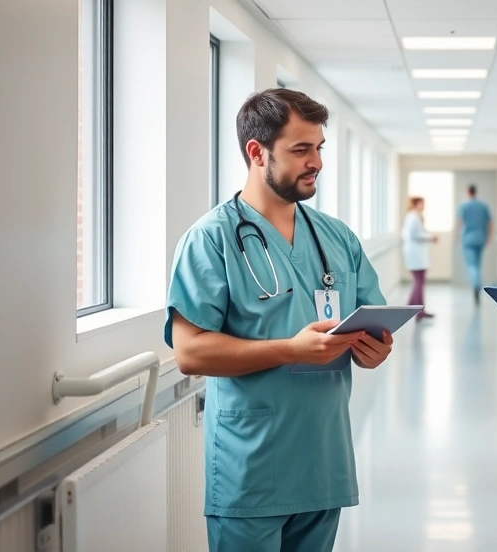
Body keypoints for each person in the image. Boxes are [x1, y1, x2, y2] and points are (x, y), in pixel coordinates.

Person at [164, 88, 394, 552]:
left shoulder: (335, 237)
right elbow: (189, 353)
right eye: (301, 149)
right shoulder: (211, 239)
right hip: (252, 466)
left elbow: (372, 326)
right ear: (257, 152)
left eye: (319, 148)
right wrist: (290, 350)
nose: (317, 162)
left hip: (322, 459)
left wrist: (376, 350)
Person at [401, 196, 437, 319]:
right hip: (415, 254)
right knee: (419, 281)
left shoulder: (415, 216)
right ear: (417, 203)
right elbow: (414, 234)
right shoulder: (413, 216)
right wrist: (430, 237)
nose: (423, 205)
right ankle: (417, 310)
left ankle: (413, 307)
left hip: (417, 254)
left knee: (419, 281)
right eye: (422, 203)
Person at [457, 184, 493, 303]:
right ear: (475, 192)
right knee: (477, 264)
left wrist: (457, 236)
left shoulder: (464, 206)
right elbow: (489, 223)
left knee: (472, 266)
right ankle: (477, 284)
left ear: (468, 192)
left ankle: (476, 286)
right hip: (480, 238)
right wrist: (488, 237)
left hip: (468, 239)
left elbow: (460, 222)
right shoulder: (483, 206)